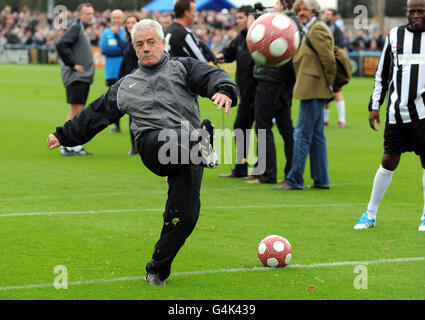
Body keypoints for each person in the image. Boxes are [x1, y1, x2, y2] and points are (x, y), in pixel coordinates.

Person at [46, 19, 238, 285]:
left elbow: (211, 76)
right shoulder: (125, 86)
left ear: (162, 43)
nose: (146, 48)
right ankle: (201, 142)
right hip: (153, 145)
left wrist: (224, 90)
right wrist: (63, 135)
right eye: (140, 44)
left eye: (151, 42)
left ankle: (157, 267)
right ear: (135, 49)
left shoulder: (182, 67)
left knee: (185, 216)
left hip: (191, 151)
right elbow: (95, 113)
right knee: (175, 137)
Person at [354, 0, 425, 232]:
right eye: (412, 11)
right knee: (388, 161)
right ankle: (370, 214)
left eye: (420, 11)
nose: (415, 15)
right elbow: (381, 74)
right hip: (396, 113)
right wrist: (375, 105)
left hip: (424, 114)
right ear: (406, 12)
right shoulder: (395, 35)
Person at [275, 0, 336, 191]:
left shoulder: (316, 29)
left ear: (314, 11)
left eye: (305, 9)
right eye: (299, 9)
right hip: (312, 87)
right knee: (316, 136)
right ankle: (321, 179)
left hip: (313, 88)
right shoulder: (311, 28)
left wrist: (329, 83)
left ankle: (294, 179)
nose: (302, 12)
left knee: (301, 135)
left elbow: (329, 60)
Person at [246, 0, 302, 185]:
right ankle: (291, 173)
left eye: (277, 2)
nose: (274, 6)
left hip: (270, 82)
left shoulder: (282, 22)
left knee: (263, 127)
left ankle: (267, 174)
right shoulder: (296, 24)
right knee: (286, 129)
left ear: (284, 3)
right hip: (284, 84)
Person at [216, 5, 257, 179]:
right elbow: (229, 52)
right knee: (241, 128)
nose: (238, 21)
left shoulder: (257, 37)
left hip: (259, 91)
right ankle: (241, 168)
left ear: (250, 18)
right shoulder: (241, 38)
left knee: (262, 131)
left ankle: (261, 171)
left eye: (241, 18)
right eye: (238, 18)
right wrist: (220, 56)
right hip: (245, 93)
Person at [55, 3, 95, 156]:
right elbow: (61, 45)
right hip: (76, 77)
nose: (90, 16)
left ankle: (76, 145)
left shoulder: (81, 28)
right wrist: (73, 64)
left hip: (82, 77)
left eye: (91, 14)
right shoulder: (76, 27)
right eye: (87, 14)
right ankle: (64, 144)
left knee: (79, 113)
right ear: (79, 15)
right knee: (75, 112)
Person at [100, 9, 127, 133]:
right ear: (111, 19)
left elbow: (127, 47)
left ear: (123, 19)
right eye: (114, 17)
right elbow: (105, 50)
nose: (116, 20)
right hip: (111, 71)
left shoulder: (126, 33)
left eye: (119, 17)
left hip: (125, 71)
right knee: (113, 100)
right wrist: (121, 52)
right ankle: (117, 125)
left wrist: (122, 50)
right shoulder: (106, 33)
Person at [118, 13, 141, 156]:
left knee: (137, 116)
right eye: (128, 23)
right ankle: (135, 147)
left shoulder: (139, 41)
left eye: (133, 22)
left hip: (138, 82)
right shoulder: (128, 41)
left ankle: (138, 146)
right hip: (129, 81)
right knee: (132, 115)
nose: (130, 25)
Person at [322, 8, 347, 128]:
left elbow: (340, 48)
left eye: (328, 15)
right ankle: (325, 120)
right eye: (325, 14)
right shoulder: (321, 26)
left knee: (337, 91)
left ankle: (342, 120)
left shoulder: (336, 30)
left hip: (334, 64)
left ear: (334, 16)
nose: (326, 16)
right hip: (323, 64)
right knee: (325, 91)